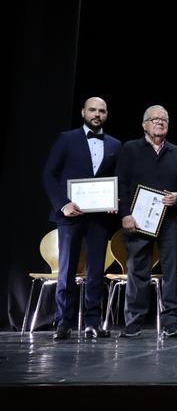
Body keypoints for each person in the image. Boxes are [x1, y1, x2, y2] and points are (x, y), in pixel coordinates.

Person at [42, 97, 121, 339]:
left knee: (96, 270)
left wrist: (115, 200)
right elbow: (49, 174)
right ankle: (63, 322)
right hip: (71, 215)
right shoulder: (67, 139)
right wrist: (62, 205)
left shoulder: (116, 144)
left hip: (99, 218)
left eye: (102, 111)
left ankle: (92, 323)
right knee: (66, 270)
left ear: (107, 114)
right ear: (83, 112)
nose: (97, 114)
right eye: (93, 110)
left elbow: (118, 179)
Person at [116, 105, 177, 338]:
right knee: (138, 269)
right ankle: (134, 321)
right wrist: (125, 214)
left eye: (164, 119)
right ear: (144, 124)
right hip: (138, 219)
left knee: (172, 271)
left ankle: (170, 322)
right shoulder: (130, 149)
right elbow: (121, 184)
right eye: (154, 119)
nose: (160, 122)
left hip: (171, 220)